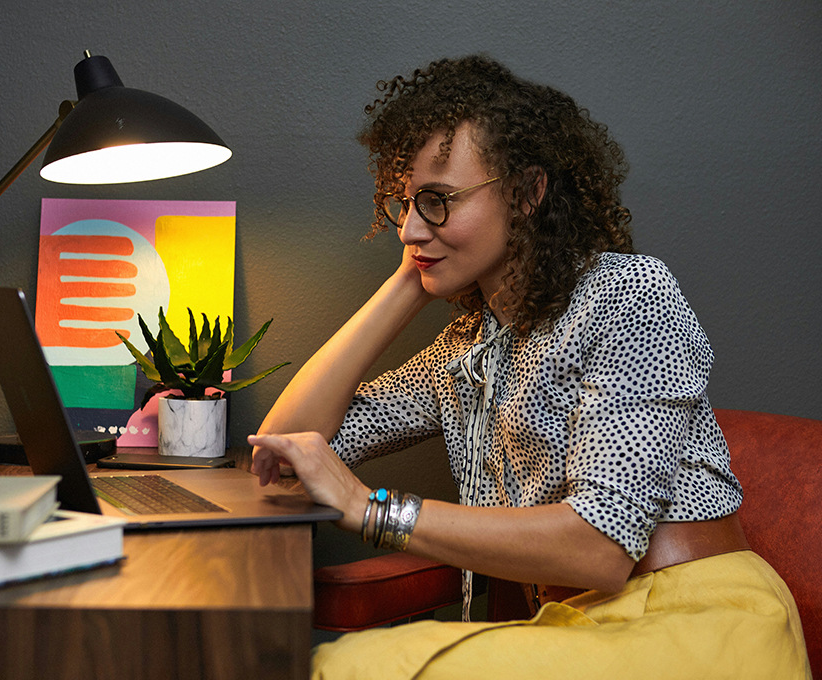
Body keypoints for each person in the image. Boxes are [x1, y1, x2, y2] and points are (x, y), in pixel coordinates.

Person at [247, 55, 811, 679]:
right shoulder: (467, 349)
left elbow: (600, 550)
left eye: (437, 201)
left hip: (697, 622)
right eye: (401, 205)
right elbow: (287, 454)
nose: (407, 227)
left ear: (528, 193)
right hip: (576, 628)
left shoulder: (630, 295)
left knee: (360, 667)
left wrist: (373, 508)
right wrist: (408, 281)